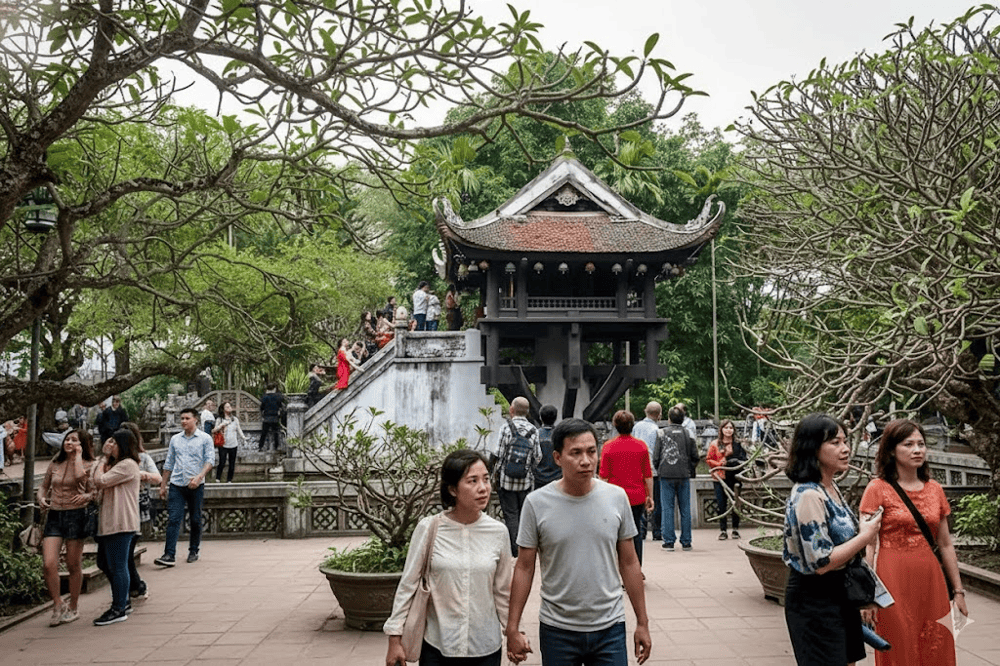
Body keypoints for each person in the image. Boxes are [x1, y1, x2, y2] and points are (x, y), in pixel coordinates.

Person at [506, 418, 652, 666]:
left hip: (610, 627)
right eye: (576, 453)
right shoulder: (536, 503)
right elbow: (524, 567)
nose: (586, 460)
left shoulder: (616, 498)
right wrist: (512, 627)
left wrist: (642, 622)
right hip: (557, 629)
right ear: (557, 457)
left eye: (591, 451)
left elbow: (629, 562)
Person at [384, 449, 513, 666]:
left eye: (486, 479)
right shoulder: (429, 528)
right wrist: (394, 639)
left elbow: (503, 591)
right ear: (453, 489)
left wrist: (514, 631)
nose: (483, 488)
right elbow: (408, 586)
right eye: (472, 481)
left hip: (485, 647)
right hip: (437, 646)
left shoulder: (498, 532)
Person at [859, 419, 968, 665]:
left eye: (921, 444)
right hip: (892, 578)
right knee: (899, 645)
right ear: (891, 450)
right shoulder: (877, 489)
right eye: (908, 444)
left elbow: (945, 544)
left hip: (931, 579)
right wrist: (867, 595)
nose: (917, 450)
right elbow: (868, 545)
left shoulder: (935, 489)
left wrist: (958, 591)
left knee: (936, 644)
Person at [783, 413, 882, 666]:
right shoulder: (808, 494)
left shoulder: (829, 486)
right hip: (815, 600)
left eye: (845, 441)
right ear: (812, 448)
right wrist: (866, 535)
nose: (845, 449)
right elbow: (822, 562)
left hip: (841, 593)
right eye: (835, 442)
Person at [37, 428, 96, 626]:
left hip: (75, 515)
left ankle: (74, 606)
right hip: (54, 514)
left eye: (74, 440)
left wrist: (78, 456)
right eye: (67, 439)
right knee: (49, 563)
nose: (68, 443)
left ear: (82, 444)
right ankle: (57, 604)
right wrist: (41, 498)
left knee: (73, 564)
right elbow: (44, 486)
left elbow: (90, 488)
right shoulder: (55, 462)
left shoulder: (89, 464)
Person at [92, 429, 141, 626]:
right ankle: (122, 599)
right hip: (109, 522)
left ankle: (119, 606)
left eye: (113, 442)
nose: (109, 445)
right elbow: (94, 481)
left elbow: (100, 481)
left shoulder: (128, 464)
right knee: (105, 562)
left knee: (118, 565)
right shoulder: (116, 465)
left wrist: (103, 459)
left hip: (121, 522)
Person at [155, 408, 214, 567]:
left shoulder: (205, 438)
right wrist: (163, 485)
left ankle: (194, 550)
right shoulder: (175, 439)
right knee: (173, 519)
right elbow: (169, 462)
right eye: (182, 418)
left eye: (187, 418)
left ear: (196, 420)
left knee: (195, 519)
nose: (183, 421)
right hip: (177, 484)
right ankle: (169, 554)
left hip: (196, 484)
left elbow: (210, 461)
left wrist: (199, 477)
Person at [599, 410, 654, 568]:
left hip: (614, 497)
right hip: (637, 496)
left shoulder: (608, 447)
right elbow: (647, 475)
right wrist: (650, 496)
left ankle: (617, 567)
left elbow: (603, 476)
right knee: (635, 531)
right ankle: (636, 567)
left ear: (615, 425)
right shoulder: (641, 446)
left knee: (614, 533)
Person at [494, 396, 540, 557]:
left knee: (511, 515)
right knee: (523, 515)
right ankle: (525, 550)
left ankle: (515, 552)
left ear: (512, 410)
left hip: (506, 481)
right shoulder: (534, 430)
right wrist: (528, 469)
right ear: (527, 412)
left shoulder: (506, 428)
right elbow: (538, 456)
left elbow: (499, 454)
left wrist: (495, 475)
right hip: (525, 482)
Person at [121, 422, 160, 601]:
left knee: (127, 552)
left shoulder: (143, 458)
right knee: (121, 554)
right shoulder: (112, 459)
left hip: (136, 507)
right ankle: (134, 586)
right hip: (117, 508)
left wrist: (140, 474)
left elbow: (157, 478)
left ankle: (135, 587)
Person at [653, 406, 700, 551]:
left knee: (667, 508)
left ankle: (669, 541)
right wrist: (689, 469)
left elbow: (656, 456)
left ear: (669, 419)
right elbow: (695, 456)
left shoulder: (661, 432)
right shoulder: (688, 433)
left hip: (666, 474)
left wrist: (660, 468)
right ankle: (686, 541)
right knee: (685, 508)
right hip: (683, 474)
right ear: (683, 419)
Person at [706, 419, 748, 540]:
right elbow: (709, 459)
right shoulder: (715, 444)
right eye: (726, 428)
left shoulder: (738, 444)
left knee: (736, 503)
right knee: (721, 504)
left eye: (730, 428)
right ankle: (723, 530)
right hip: (720, 477)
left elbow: (744, 459)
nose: (728, 430)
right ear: (721, 429)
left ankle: (735, 529)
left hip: (735, 476)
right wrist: (720, 463)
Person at [631, 401, 663, 540]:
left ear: (645, 411)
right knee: (656, 500)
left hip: (637, 468)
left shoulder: (636, 427)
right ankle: (657, 532)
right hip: (653, 469)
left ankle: (641, 531)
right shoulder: (657, 430)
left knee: (641, 500)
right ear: (659, 415)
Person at [212, 401, 246, 483]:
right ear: (223, 409)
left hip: (233, 444)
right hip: (223, 444)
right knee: (222, 462)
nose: (229, 408)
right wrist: (222, 425)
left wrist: (244, 437)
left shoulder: (235, 419)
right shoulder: (219, 419)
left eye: (230, 406)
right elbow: (214, 430)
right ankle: (218, 478)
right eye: (227, 407)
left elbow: (239, 429)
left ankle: (229, 480)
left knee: (232, 463)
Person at [532, 405, 561, 489]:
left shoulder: (535, 434)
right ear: (556, 418)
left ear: (540, 418)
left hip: (539, 477)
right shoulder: (560, 434)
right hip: (557, 477)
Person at [259, 383, 285, 451]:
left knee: (264, 433)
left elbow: (262, 407)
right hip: (275, 418)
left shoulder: (265, 397)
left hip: (267, 418)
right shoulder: (277, 396)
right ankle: (276, 447)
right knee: (276, 433)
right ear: (274, 388)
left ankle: (260, 447)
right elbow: (280, 404)